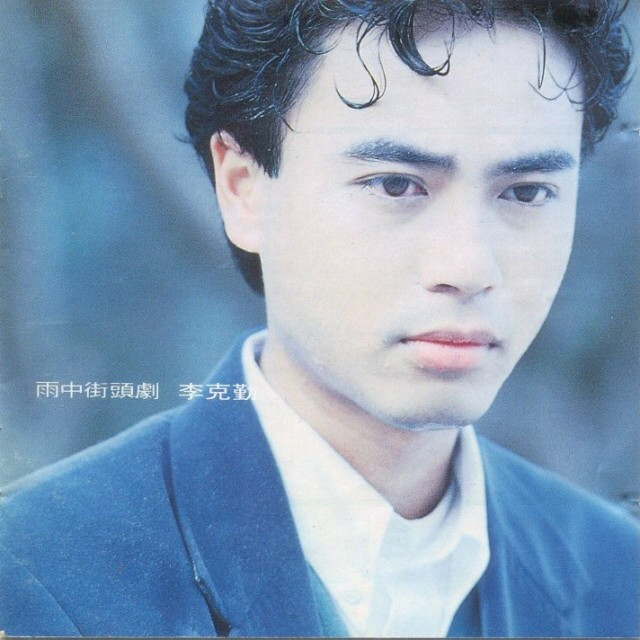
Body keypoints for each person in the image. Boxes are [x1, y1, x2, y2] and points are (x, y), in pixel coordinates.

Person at [1, 0, 638, 636]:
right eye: (395, 184)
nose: (468, 267)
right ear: (243, 187)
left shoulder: (618, 574)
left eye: (527, 192)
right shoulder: (38, 574)